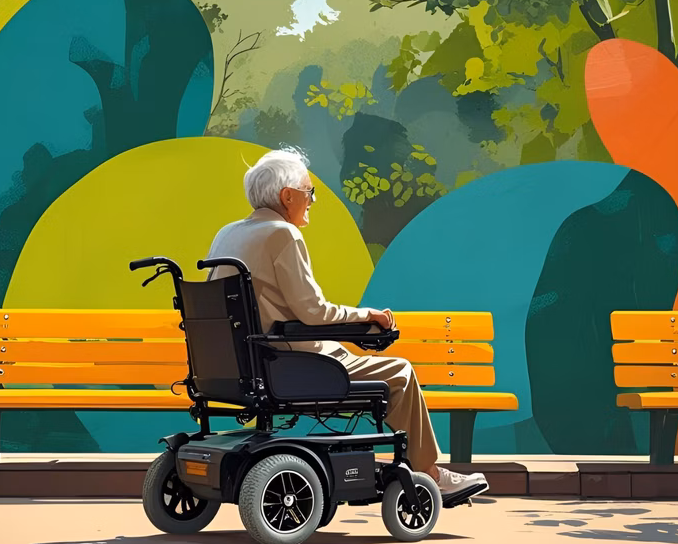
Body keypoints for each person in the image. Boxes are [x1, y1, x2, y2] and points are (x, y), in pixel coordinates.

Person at [204, 146, 489, 503]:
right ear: (286, 195)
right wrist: (366, 317)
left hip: (239, 365)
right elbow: (313, 312)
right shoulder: (282, 234)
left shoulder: (227, 234)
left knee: (374, 361)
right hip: (289, 364)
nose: (312, 201)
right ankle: (429, 472)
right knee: (399, 371)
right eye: (309, 193)